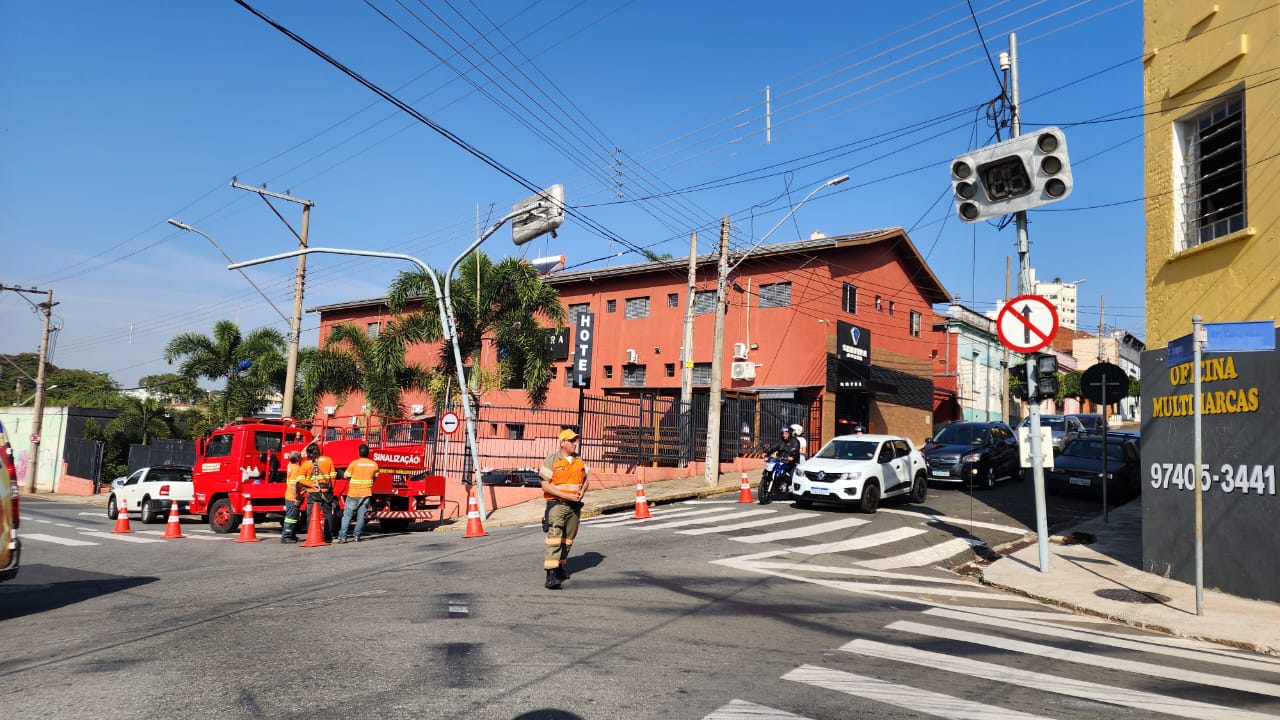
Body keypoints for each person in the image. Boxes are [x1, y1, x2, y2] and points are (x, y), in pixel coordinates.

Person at [539, 428, 590, 590]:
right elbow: (544, 485)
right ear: (562, 443)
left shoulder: (578, 460)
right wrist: (566, 496)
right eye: (571, 441)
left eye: (575, 440)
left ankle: (560, 567)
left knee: (568, 540)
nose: (575, 443)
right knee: (554, 539)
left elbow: (586, 479)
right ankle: (551, 574)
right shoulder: (552, 460)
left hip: (574, 507)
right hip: (557, 505)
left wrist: (582, 491)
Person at [337, 443, 378, 543]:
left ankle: (343, 536)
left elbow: (346, 476)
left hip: (353, 493)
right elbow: (375, 477)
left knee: (347, 515)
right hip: (366, 493)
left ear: (358, 453)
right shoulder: (374, 464)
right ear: (368, 453)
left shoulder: (354, 464)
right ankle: (357, 536)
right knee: (361, 516)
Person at [300, 443, 338, 543]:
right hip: (326, 492)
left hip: (312, 493)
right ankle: (328, 536)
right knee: (327, 514)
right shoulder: (328, 460)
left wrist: (311, 484)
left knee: (311, 514)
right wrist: (331, 489)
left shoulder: (306, 463)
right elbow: (333, 476)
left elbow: (300, 479)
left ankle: (311, 535)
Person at [280, 451, 305, 544]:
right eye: (299, 456)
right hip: (292, 497)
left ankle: (291, 534)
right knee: (290, 517)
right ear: (298, 459)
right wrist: (296, 498)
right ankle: (286, 536)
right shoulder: (296, 469)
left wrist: (313, 441)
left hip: (290, 495)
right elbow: (293, 485)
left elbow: (301, 453)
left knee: (294, 517)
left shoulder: (290, 464)